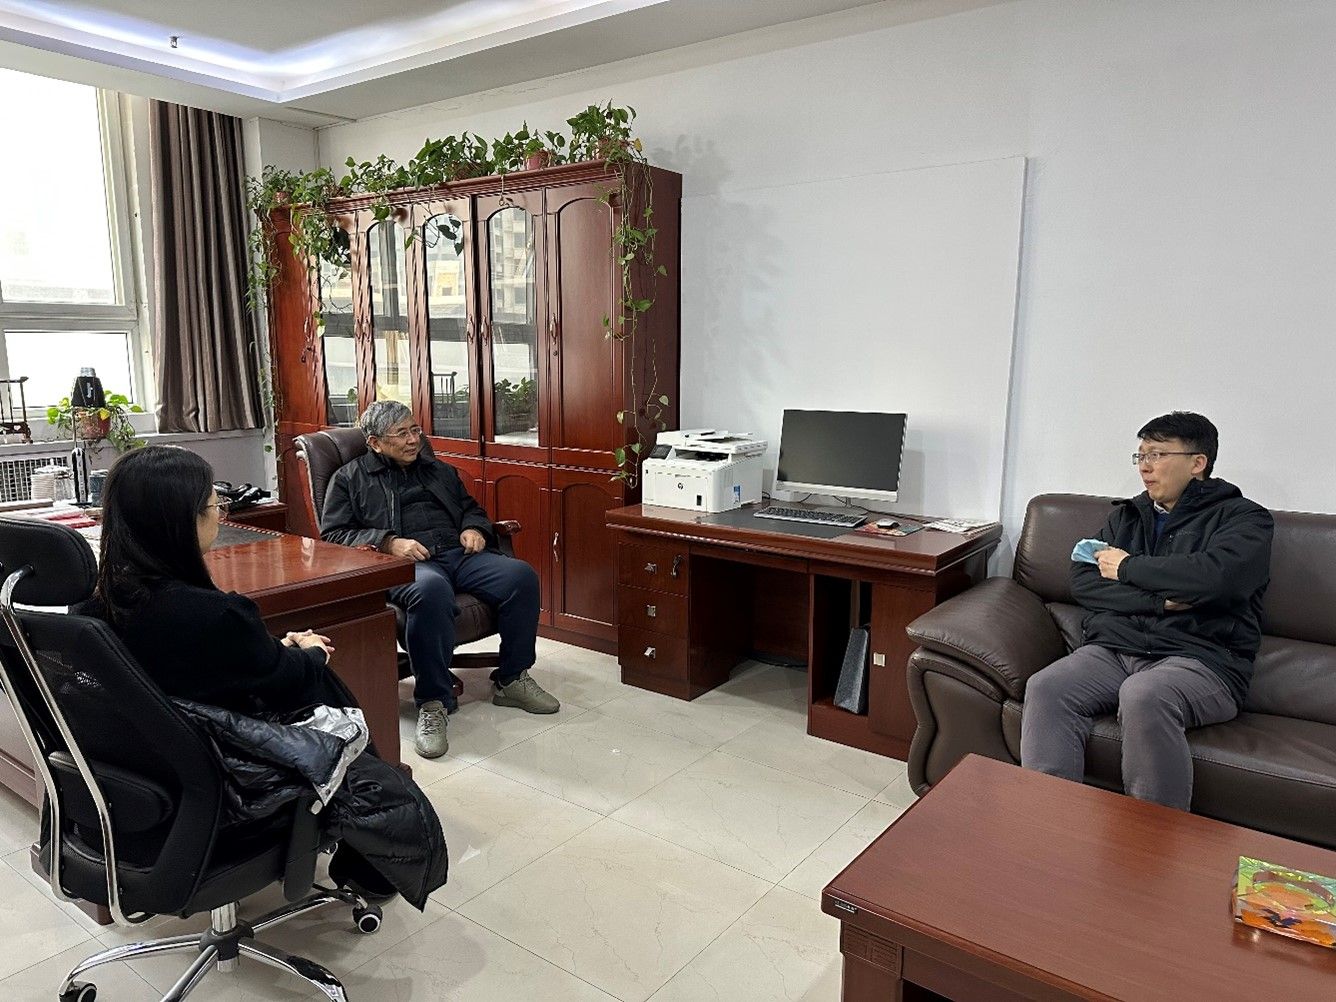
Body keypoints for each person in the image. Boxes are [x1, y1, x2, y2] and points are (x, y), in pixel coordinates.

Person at [86, 445, 446, 906]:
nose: (220, 513)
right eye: (214, 504)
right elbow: (283, 681)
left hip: (145, 784)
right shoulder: (215, 615)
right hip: (232, 780)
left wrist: (273, 649)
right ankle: (369, 862)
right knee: (323, 686)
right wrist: (308, 652)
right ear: (184, 521)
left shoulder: (90, 613)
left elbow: (214, 666)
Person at [1020, 412, 1274, 810]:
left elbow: (1215, 579)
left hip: (1202, 658)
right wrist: (1159, 600)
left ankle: (1154, 836)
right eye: (1140, 455)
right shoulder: (1126, 517)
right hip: (1116, 649)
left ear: (1198, 462)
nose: (1144, 466)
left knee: (1143, 694)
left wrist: (1126, 568)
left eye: (1157, 454)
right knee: (1047, 687)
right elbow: (1084, 581)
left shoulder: (1245, 519)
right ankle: (1050, 820)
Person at [320, 400, 559, 759]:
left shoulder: (438, 470)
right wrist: (388, 542)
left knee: (520, 577)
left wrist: (474, 528)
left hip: (456, 553)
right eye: (401, 433)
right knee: (431, 590)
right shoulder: (349, 479)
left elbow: (471, 508)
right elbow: (333, 535)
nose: (413, 439)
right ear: (375, 443)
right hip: (404, 563)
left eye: (415, 430)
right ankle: (433, 702)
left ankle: (512, 678)